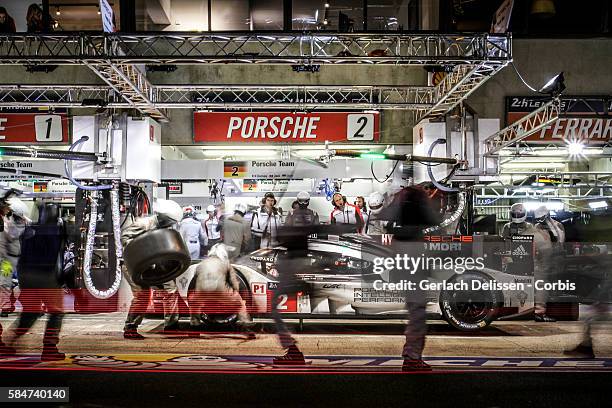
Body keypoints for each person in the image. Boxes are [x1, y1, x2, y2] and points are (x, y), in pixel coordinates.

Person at [3, 203, 67, 361]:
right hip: (46, 274)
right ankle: (50, 348)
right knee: (56, 311)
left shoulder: (27, 230)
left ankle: (9, 341)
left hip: (26, 274)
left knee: (31, 311)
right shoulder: (58, 230)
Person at [122, 199, 184, 339]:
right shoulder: (143, 224)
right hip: (132, 264)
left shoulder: (166, 229)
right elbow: (125, 237)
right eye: (169, 221)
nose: (171, 224)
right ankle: (130, 327)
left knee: (171, 289)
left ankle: (171, 326)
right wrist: (140, 249)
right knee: (142, 294)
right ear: (162, 216)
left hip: (155, 264)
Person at [501, 203, 555, 322]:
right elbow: (503, 243)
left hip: (529, 260)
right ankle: (516, 309)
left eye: (519, 214)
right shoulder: (507, 227)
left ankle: (537, 311)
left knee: (538, 284)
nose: (517, 216)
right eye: (515, 214)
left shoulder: (531, 227)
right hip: (513, 260)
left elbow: (536, 246)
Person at [188, 243, 253, 336]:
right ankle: (246, 325)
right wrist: (235, 293)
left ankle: (194, 325)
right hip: (220, 291)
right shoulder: (225, 263)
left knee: (193, 302)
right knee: (239, 304)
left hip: (201, 292)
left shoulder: (201, 264)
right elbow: (234, 282)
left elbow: (195, 281)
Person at [0, 197, 29, 316]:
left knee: (14, 282)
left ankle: (9, 304)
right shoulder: (7, 222)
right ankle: (5, 305)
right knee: (6, 281)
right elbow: (11, 236)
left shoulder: (16, 221)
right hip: (8, 258)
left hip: (16, 257)